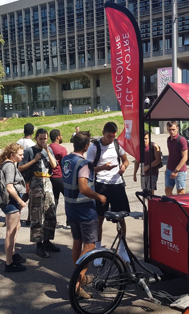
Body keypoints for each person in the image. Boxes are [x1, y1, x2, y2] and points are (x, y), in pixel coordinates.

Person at [62, 131, 107, 299]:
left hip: (70, 208)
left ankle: (80, 277)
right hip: (85, 211)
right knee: (89, 248)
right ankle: (77, 282)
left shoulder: (66, 159)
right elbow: (84, 188)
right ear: (86, 146)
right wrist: (99, 196)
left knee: (77, 242)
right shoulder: (84, 164)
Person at [86, 122, 130, 262]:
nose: (111, 139)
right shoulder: (94, 147)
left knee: (121, 218)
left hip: (117, 185)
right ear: (103, 133)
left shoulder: (117, 144)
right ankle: (97, 251)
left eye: (113, 136)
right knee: (99, 219)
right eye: (109, 136)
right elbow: (88, 168)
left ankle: (123, 249)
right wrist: (103, 167)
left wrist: (124, 166)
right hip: (101, 185)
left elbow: (126, 160)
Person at [18, 129, 59, 258]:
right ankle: (39, 244)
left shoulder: (48, 150)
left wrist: (47, 150)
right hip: (35, 184)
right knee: (37, 215)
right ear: (36, 138)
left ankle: (47, 241)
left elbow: (54, 165)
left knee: (50, 213)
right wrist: (34, 160)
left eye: (45, 139)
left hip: (47, 183)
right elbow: (20, 167)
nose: (43, 141)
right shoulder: (30, 151)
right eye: (41, 139)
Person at [0, 143, 28, 272]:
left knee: (16, 228)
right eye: (20, 155)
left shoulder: (9, 164)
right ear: (12, 155)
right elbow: (9, 187)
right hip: (12, 202)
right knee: (10, 232)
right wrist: (20, 201)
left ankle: (13, 255)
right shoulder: (9, 166)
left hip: (13, 202)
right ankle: (9, 263)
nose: (22, 156)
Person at [48, 129, 68, 226]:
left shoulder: (48, 148)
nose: (62, 137)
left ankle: (52, 220)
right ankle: (69, 220)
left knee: (54, 200)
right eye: (61, 135)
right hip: (60, 176)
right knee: (68, 198)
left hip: (51, 177)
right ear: (57, 137)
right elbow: (66, 164)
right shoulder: (61, 149)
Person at [133, 130, 162, 194]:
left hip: (152, 173)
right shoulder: (138, 147)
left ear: (149, 138)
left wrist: (148, 167)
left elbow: (158, 159)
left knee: (150, 192)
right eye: (142, 138)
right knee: (145, 192)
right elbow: (137, 161)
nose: (144, 140)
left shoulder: (154, 146)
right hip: (143, 174)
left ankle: (152, 203)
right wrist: (135, 174)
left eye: (146, 138)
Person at [165, 121, 188, 196]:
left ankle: (181, 207)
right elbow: (170, 155)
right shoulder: (169, 139)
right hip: (169, 169)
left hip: (180, 171)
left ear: (177, 128)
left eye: (173, 129)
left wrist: (176, 170)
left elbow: (185, 157)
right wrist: (167, 168)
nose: (171, 132)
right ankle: (172, 206)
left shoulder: (181, 140)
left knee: (180, 192)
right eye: (169, 130)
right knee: (168, 190)